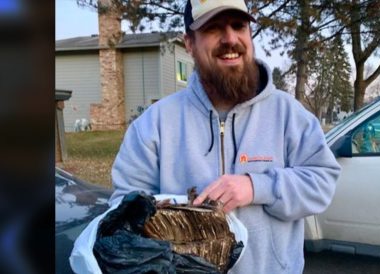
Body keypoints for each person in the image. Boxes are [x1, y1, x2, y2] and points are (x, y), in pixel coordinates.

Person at [109, 0, 341, 273]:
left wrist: (257, 187)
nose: (230, 38)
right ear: (189, 43)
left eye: (238, 25)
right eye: (213, 28)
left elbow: (322, 182)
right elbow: (122, 211)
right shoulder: (154, 124)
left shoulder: (288, 113)